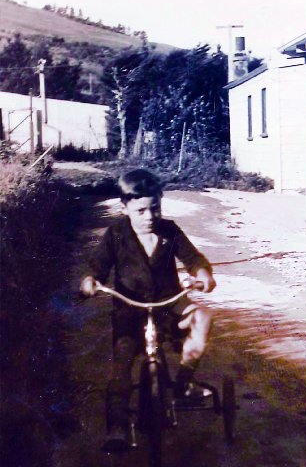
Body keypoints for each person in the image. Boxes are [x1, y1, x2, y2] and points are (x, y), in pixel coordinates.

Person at [80, 168, 216, 449]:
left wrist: (202, 273)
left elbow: (193, 258)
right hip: (130, 307)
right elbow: (99, 266)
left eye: (155, 208)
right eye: (141, 210)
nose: (150, 217)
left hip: (169, 303)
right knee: (122, 365)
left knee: (202, 317)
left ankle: (183, 383)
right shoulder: (116, 234)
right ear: (125, 207)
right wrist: (90, 281)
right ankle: (117, 426)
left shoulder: (170, 231)